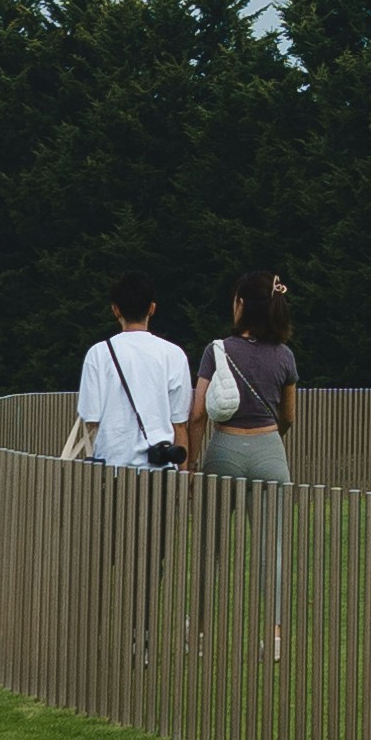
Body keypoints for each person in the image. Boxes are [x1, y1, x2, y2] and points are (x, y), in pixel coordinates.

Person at [195, 273, 301, 658]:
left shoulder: (218, 350)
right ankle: (273, 636)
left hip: (226, 446)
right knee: (269, 548)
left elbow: (197, 414)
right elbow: (288, 415)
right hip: (269, 448)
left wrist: (191, 461)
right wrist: (272, 440)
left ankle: (201, 633)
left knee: (211, 545)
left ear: (241, 304)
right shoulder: (285, 356)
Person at [70, 280, 189, 471]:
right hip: (161, 469)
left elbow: (91, 417)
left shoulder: (99, 353)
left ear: (115, 310)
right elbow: (180, 425)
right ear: (152, 308)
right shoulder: (174, 354)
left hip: (111, 467)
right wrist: (183, 478)